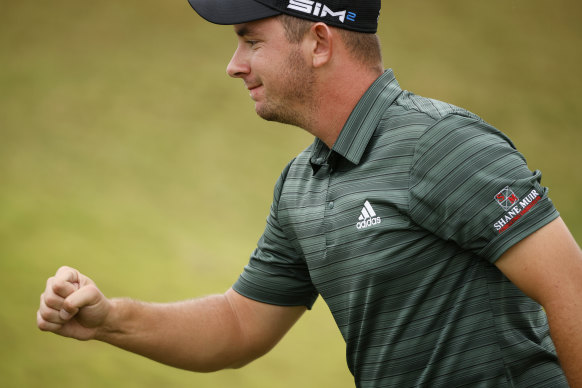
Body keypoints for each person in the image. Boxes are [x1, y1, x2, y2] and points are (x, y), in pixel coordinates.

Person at [37, 1, 582, 387]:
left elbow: (572, 289)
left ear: (319, 43)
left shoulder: (440, 143)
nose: (234, 66)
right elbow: (238, 325)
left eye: (252, 41)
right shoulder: (303, 182)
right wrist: (110, 319)